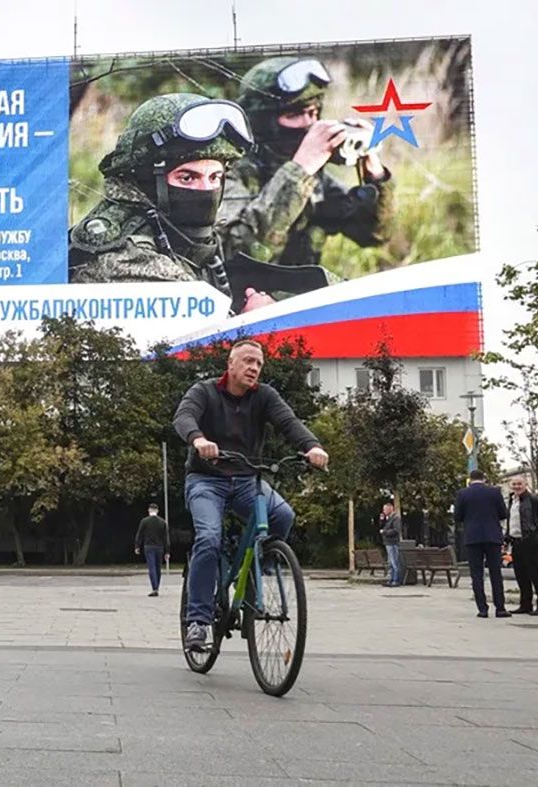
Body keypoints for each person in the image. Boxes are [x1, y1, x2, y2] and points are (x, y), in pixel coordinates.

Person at [172, 338, 329, 651]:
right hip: (207, 480)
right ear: (230, 365)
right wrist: (198, 439)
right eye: (247, 361)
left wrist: (312, 446)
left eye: (258, 363)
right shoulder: (204, 391)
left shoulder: (265, 396)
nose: (254, 368)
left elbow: (289, 422)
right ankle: (199, 621)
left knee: (283, 515)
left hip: (247, 480)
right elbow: (183, 416)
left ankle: (257, 569)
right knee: (209, 538)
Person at [215, 57, 393, 310]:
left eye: (312, 113)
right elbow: (239, 252)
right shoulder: (229, 172)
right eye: (295, 114)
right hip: (243, 305)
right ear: (263, 121)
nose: (309, 124)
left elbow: (373, 235)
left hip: (296, 301)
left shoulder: (315, 178)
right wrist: (301, 169)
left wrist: (374, 174)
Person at [69, 92, 252, 302]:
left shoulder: (176, 234)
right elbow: (222, 329)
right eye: (187, 177)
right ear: (148, 181)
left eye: (215, 177)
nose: (206, 189)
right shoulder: (127, 257)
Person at [454, 469, 511, 618]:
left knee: (476, 574)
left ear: (470, 479)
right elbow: (503, 514)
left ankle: (482, 609)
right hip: (492, 536)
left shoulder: (462, 494)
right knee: (495, 573)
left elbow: (457, 516)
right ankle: (500, 608)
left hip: (472, 537)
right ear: (484, 478)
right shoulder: (494, 492)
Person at [506, 476, 538, 615]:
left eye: (519, 484)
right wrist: (507, 536)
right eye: (514, 484)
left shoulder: (533, 499)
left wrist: (536, 529)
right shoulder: (512, 501)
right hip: (516, 542)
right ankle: (525, 604)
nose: (517, 486)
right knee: (521, 575)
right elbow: (513, 521)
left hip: (530, 541)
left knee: (535, 574)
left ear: (526, 484)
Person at [134, 503, 170, 597]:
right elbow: (166, 538)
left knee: (152, 567)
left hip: (148, 547)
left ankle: (154, 588)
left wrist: (137, 546)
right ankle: (157, 586)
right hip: (160, 547)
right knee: (158, 568)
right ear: (157, 511)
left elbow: (140, 534)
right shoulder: (163, 522)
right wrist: (167, 551)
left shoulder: (144, 521)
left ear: (149, 510)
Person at [378, 502, 403, 588]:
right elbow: (382, 526)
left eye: (385, 509)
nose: (383, 511)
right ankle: (391, 579)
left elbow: (396, 530)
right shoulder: (388, 518)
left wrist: (384, 532)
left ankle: (396, 580)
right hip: (388, 542)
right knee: (390, 563)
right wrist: (382, 520)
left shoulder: (395, 518)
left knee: (394, 562)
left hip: (393, 542)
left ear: (390, 509)